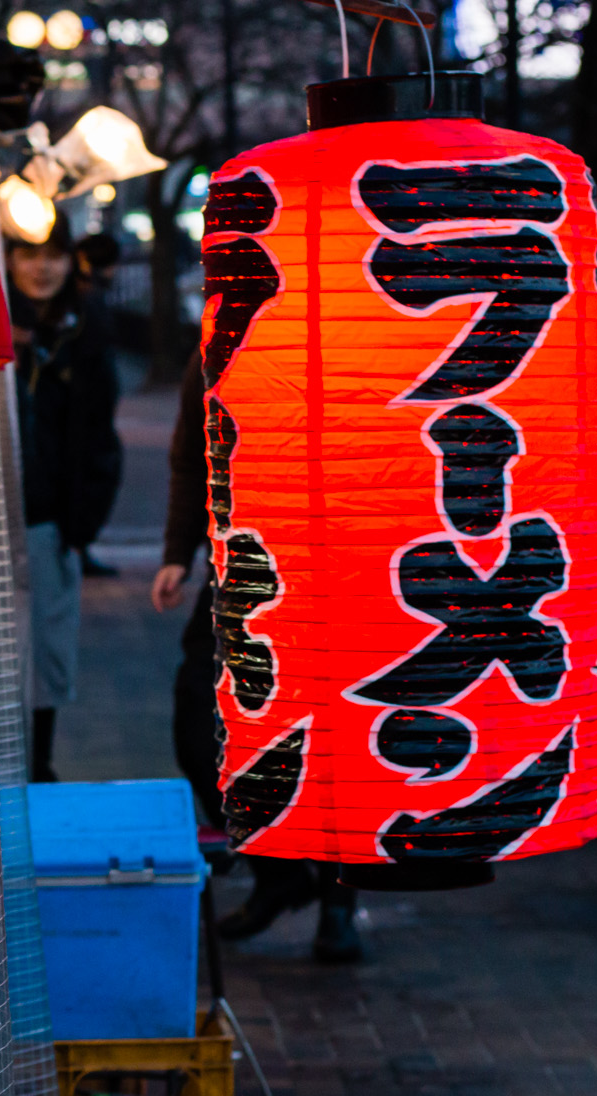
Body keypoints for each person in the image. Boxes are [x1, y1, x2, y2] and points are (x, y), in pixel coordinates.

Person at [152, 355, 361, 963]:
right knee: (199, 727)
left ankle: (338, 903)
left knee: (335, 742)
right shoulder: (218, 343)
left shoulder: (348, 328)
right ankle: (277, 872)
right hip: (241, 570)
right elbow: (192, 457)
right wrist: (177, 550)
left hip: (340, 571)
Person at [8, 217, 123, 781]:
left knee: (47, 658)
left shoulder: (85, 328)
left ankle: (40, 770)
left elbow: (99, 435)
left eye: (52, 254)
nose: (41, 267)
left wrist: (82, 527)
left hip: (51, 522)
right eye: (27, 253)